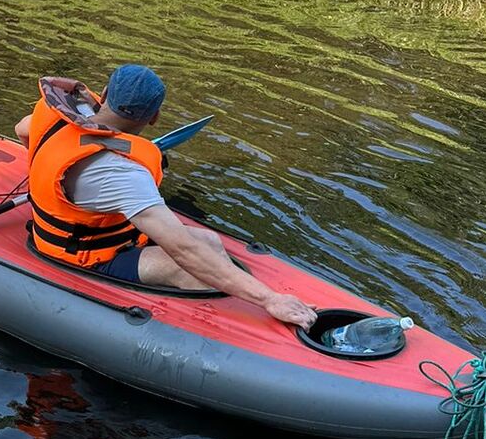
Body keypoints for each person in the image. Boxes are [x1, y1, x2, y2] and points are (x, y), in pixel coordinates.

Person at [16, 65, 317, 328]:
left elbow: (23, 130)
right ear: (155, 117)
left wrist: (54, 184)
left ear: (105, 94)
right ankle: (227, 332)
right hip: (84, 256)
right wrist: (269, 298)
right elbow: (182, 250)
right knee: (188, 269)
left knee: (210, 242)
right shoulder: (123, 174)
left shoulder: (55, 112)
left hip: (65, 228)